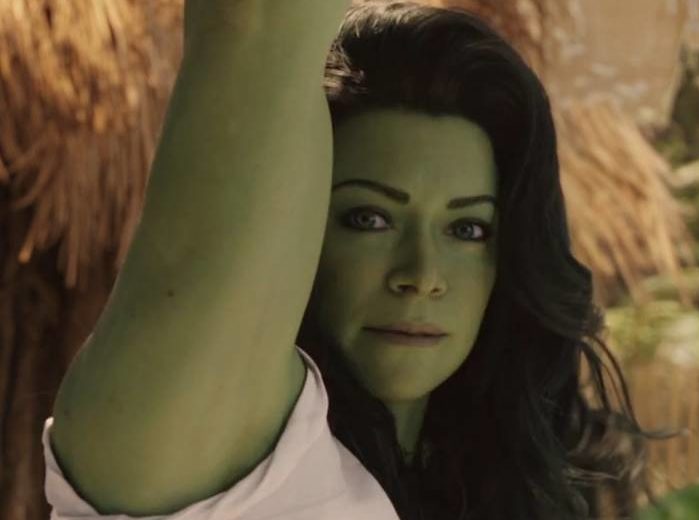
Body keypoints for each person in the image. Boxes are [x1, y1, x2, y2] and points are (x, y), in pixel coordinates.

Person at [45, 2, 646, 519]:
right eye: (369, 219)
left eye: (467, 229)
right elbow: (255, 24)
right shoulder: (208, 457)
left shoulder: (509, 487)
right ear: (296, 229)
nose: (421, 276)